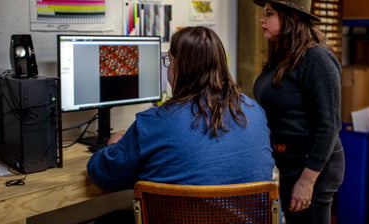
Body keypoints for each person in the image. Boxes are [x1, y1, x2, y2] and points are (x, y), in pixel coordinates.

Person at [87, 26, 274, 193]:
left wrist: (114, 145)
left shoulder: (154, 123)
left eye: (169, 61)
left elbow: (103, 174)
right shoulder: (254, 112)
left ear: (179, 67)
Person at [252, 0, 345, 224]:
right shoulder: (284, 56)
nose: (262, 19)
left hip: (313, 167)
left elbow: (329, 124)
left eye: (269, 13)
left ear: (291, 17)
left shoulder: (317, 58)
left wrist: (307, 180)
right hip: (291, 164)